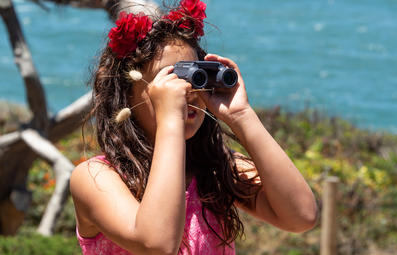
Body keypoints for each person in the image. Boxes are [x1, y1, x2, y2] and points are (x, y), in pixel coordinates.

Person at [69, 0, 317, 254]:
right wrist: (170, 123)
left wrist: (241, 114)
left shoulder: (216, 168)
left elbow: (301, 217)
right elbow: (157, 243)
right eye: (170, 79)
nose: (187, 91)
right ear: (127, 94)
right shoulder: (95, 178)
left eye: (193, 77)